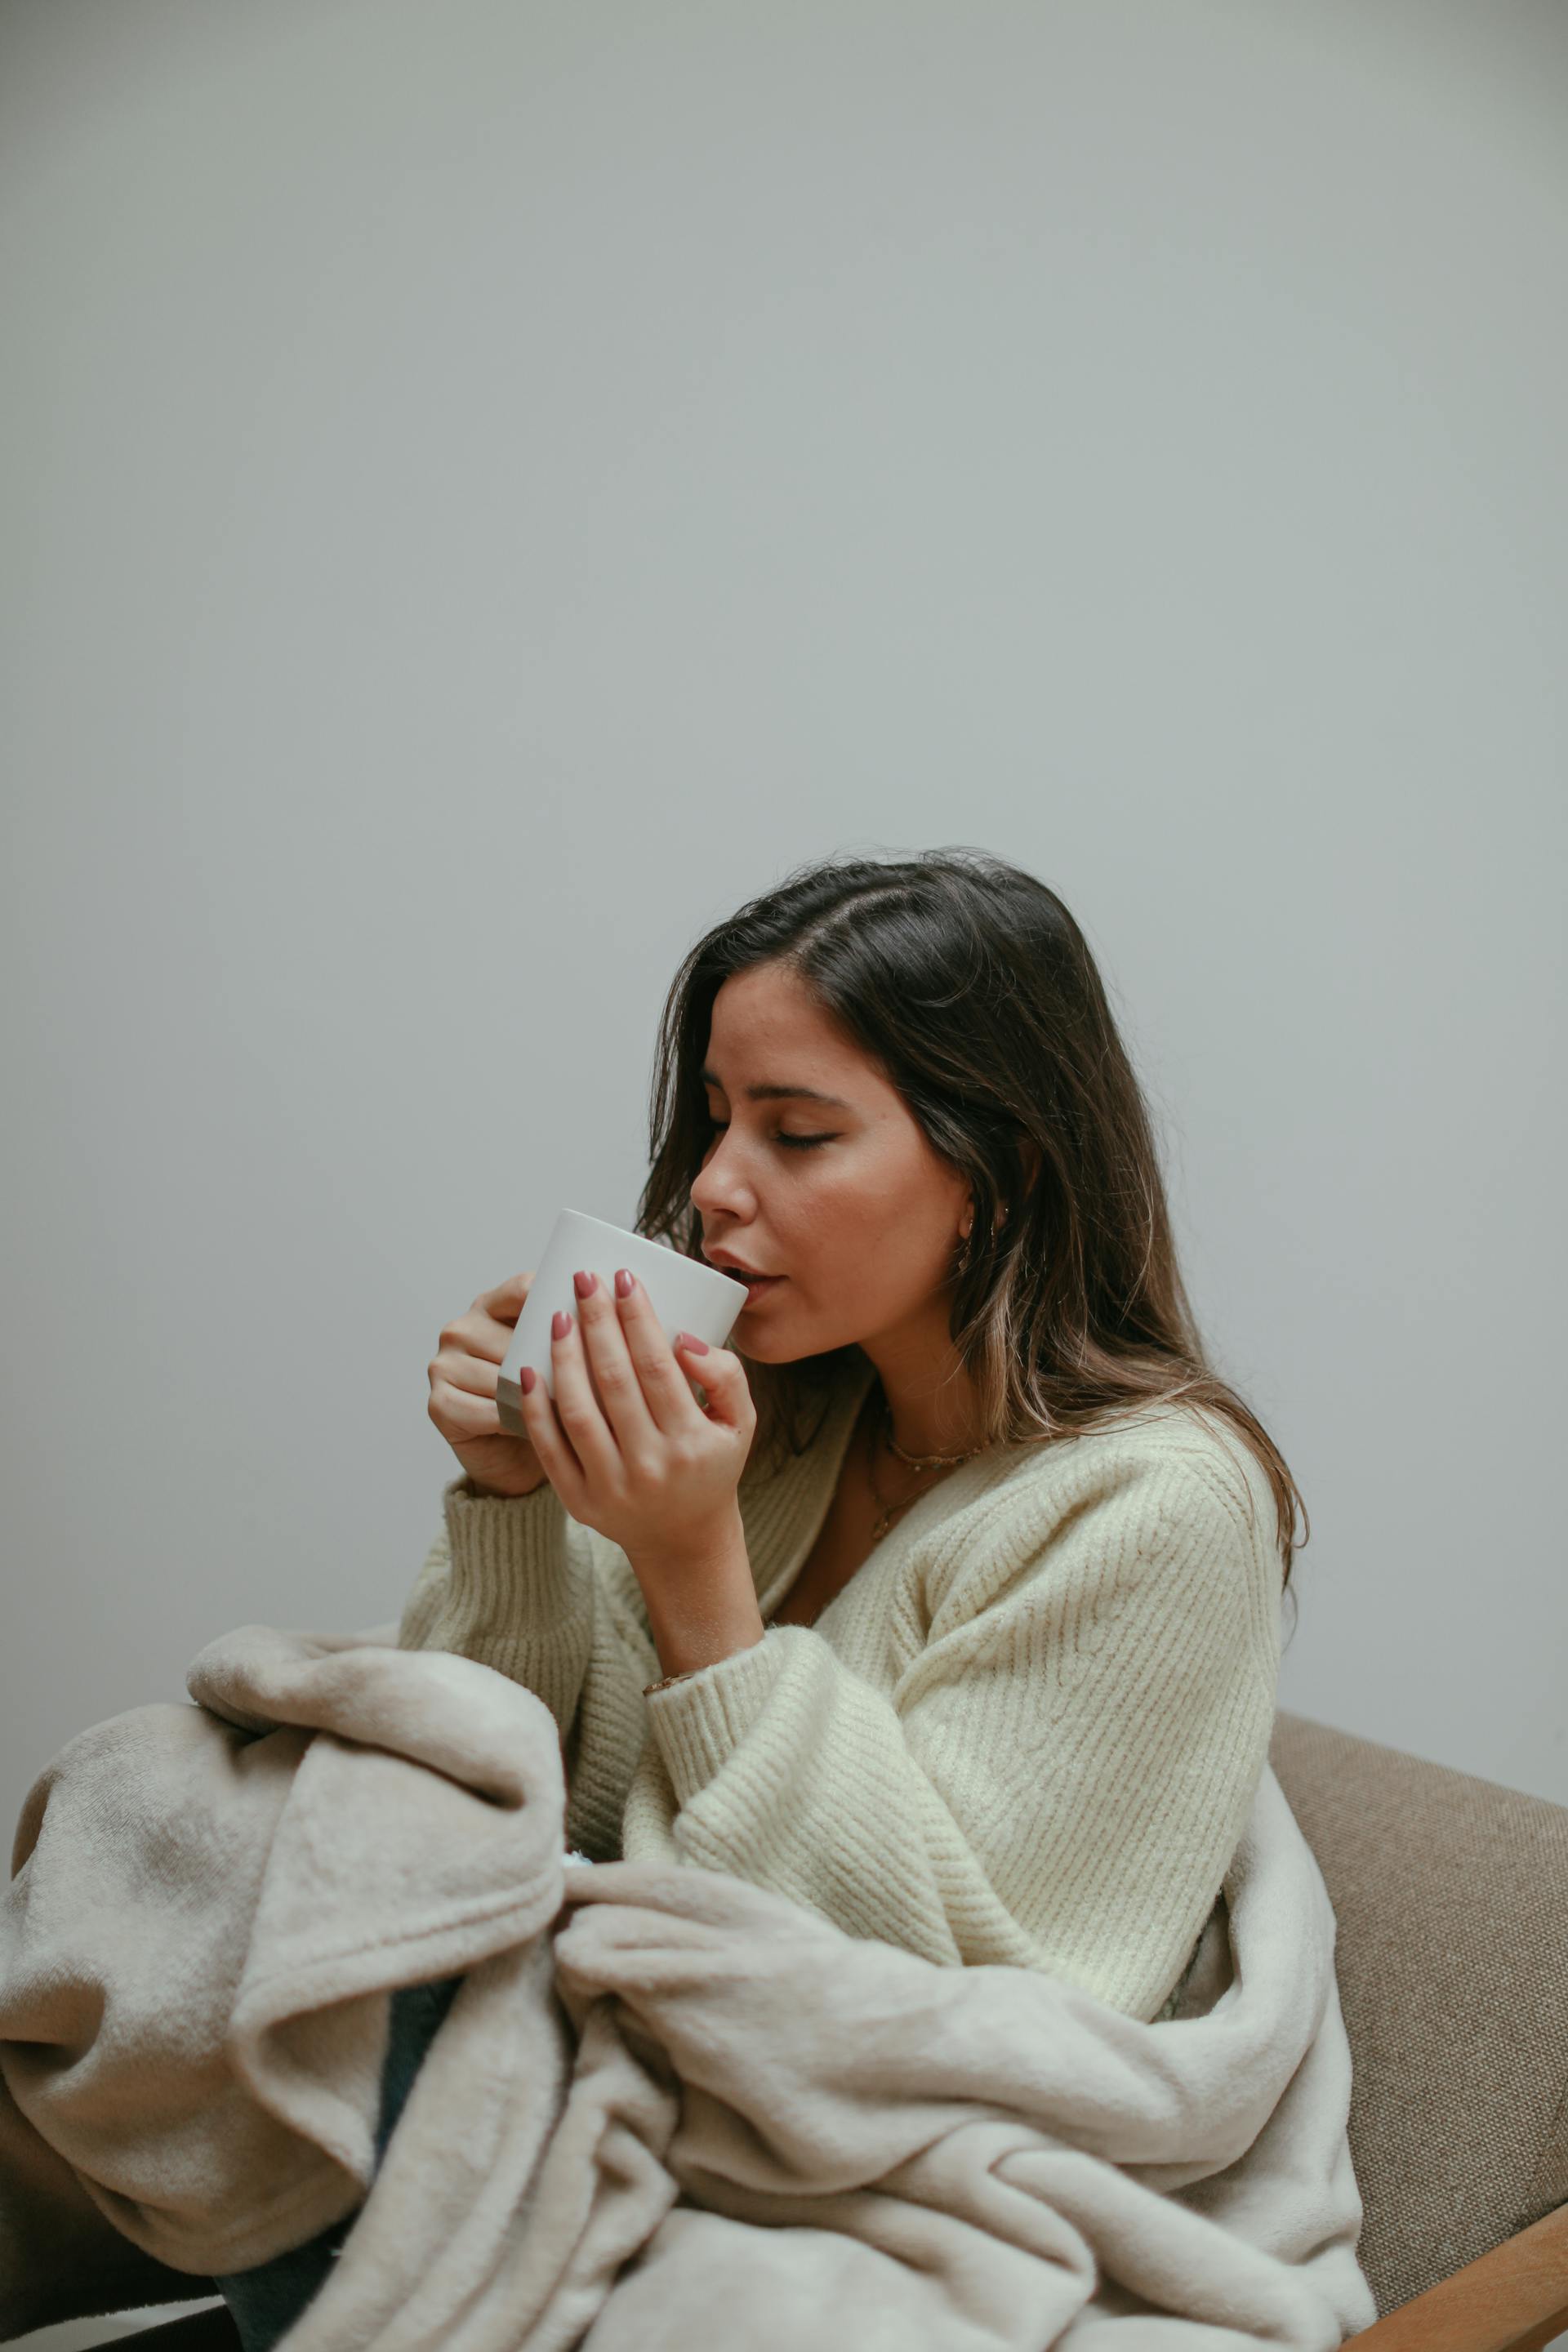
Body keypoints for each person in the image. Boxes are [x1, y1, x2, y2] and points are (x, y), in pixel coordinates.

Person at [220, 847, 1303, 2344]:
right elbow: (492, 1808)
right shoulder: (779, 1406)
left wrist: (693, 1572)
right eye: (719, 1120)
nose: (716, 1190)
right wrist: (518, 1509)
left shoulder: (1160, 1502)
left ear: (1003, 1170)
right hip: (603, 2046)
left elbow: (944, 2002)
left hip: (871, 2149)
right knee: (231, 1831)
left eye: (797, 1134)